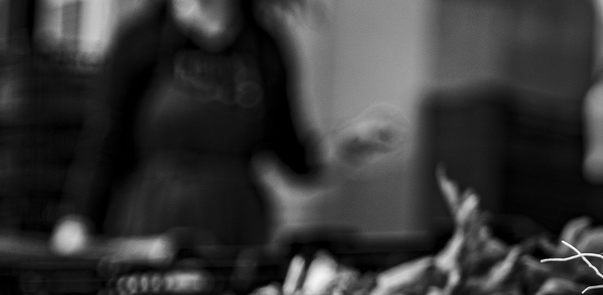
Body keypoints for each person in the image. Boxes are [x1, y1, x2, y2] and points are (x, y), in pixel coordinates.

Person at [53, 0, 396, 255]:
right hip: (149, 232)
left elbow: (293, 157)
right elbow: (104, 141)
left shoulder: (264, 47)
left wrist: (347, 143)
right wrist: (77, 221)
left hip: (237, 235)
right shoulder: (141, 38)